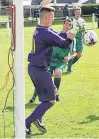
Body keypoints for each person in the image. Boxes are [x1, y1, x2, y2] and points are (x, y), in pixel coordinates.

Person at [25, 6, 75, 135]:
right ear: (46, 17)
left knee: (51, 93)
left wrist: (67, 33)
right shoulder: (45, 32)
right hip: (39, 69)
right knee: (51, 100)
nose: (54, 19)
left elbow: (57, 35)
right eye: (52, 17)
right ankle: (27, 123)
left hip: (36, 67)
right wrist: (70, 37)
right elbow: (64, 44)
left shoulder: (41, 29)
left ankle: (38, 118)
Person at [28, 18, 76, 103]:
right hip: (50, 61)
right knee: (43, 78)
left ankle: (55, 94)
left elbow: (73, 53)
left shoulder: (72, 38)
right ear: (63, 24)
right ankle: (33, 97)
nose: (68, 26)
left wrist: (68, 58)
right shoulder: (54, 34)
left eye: (70, 25)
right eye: (67, 24)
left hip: (60, 62)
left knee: (58, 72)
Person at [67, 6, 86, 73]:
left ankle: (69, 64)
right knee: (72, 53)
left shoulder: (82, 20)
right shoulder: (71, 20)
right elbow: (67, 28)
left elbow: (84, 30)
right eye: (77, 12)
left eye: (79, 12)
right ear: (74, 12)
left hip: (80, 39)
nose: (78, 13)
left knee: (79, 54)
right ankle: (69, 68)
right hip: (73, 38)